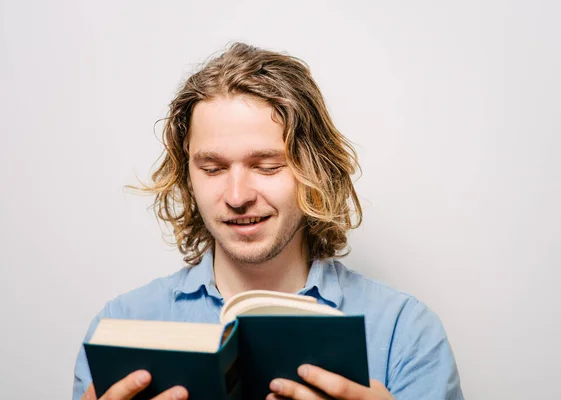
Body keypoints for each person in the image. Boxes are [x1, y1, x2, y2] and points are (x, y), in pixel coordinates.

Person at [72, 42, 463, 400]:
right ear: (186, 175)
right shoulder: (119, 326)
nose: (238, 196)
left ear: (315, 169)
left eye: (267, 166)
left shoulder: (406, 333)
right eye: (212, 168)